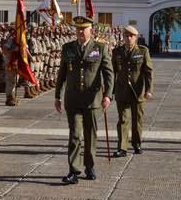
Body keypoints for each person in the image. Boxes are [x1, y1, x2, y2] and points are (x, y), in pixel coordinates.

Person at [54, 16, 113, 184]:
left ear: (90, 30)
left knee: (90, 135)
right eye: (78, 29)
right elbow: (62, 74)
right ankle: (74, 170)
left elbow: (109, 74)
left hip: (92, 100)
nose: (80, 32)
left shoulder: (100, 48)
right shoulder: (68, 48)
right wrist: (57, 95)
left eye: (83, 29)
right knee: (74, 135)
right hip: (72, 99)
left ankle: (89, 166)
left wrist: (108, 95)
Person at [111, 25, 153, 157]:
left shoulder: (143, 51)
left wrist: (149, 89)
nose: (128, 38)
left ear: (136, 37)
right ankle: (122, 147)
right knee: (123, 120)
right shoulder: (116, 52)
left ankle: (137, 144)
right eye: (126, 36)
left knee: (137, 120)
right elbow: (113, 72)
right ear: (123, 37)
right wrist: (109, 91)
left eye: (131, 36)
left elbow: (148, 71)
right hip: (121, 91)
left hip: (137, 91)